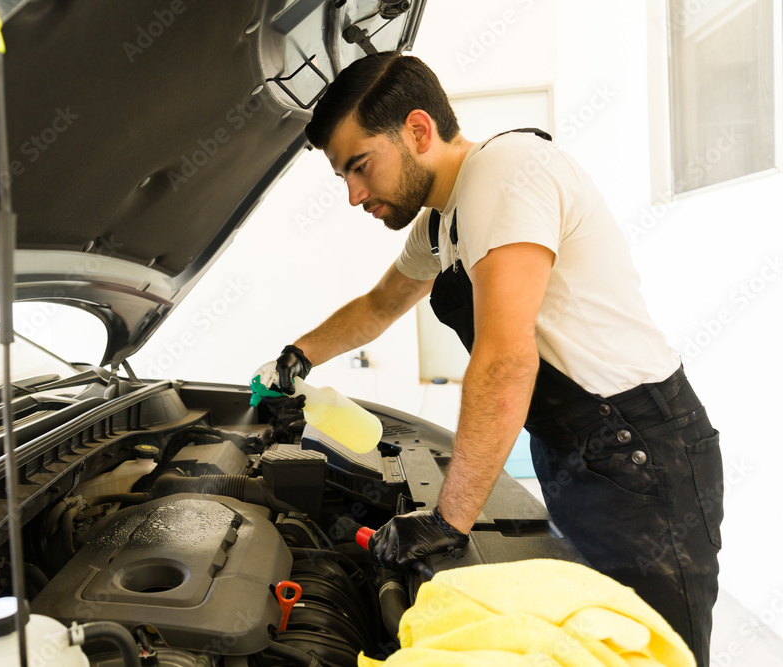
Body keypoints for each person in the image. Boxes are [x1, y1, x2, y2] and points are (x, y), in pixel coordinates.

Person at [252, 53, 723, 666]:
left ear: (418, 131)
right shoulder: (442, 222)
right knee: (597, 642)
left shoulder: (505, 174)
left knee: (654, 652)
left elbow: (505, 360)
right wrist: (298, 355)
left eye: (359, 166)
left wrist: (449, 521)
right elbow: (380, 303)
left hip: (640, 458)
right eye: (344, 176)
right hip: (582, 455)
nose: (352, 195)